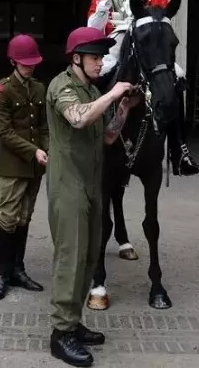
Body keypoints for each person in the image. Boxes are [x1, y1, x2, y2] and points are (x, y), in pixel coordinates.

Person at [46, 27, 141, 366]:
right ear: (76, 58)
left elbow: (109, 138)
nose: (102, 63)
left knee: (88, 258)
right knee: (70, 259)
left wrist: (123, 109)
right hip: (68, 185)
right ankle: (60, 333)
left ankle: (73, 323)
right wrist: (112, 93)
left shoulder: (89, 88)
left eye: (102, 57)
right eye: (95, 57)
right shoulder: (63, 87)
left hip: (90, 184)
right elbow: (79, 118)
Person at [86, 0, 199, 176]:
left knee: (178, 76)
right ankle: (91, 135)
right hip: (116, 36)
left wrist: (140, 20)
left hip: (145, 36)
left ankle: (180, 150)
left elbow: (161, 12)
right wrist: (102, 12)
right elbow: (92, 25)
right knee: (98, 73)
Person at [0, 35, 48, 301]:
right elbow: (4, 133)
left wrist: (46, 148)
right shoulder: (3, 90)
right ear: (13, 62)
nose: (30, 67)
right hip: (14, 165)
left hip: (35, 166)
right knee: (9, 218)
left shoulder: (39, 89)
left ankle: (18, 270)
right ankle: (1, 274)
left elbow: (44, 127)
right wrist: (34, 151)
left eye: (33, 62)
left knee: (25, 218)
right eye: (25, 63)